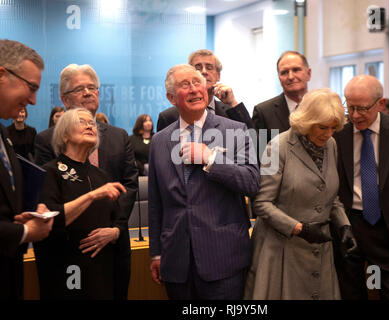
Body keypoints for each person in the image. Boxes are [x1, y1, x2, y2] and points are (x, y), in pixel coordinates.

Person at [148, 64, 259, 300]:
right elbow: (157, 203)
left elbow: (252, 181)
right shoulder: (159, 141)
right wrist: (156, 254)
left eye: (197, 83)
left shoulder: (235, 129)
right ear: (170, 98)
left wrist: (211, 158)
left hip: (223, 260)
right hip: (176, 262)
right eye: (184, 85)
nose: (194, 90)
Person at [34, 63, 138, 300]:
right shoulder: (46, 142)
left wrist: (114, 230)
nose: (88, 92)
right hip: (68, 253)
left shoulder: (119, 136)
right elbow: (48, 205)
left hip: (112, 246)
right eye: (80, 88)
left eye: (93, 88)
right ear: (64, 98)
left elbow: (128, 187)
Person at [245, 88, 357, 300]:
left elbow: (330, 196)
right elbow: (261, 203)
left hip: (320, 249)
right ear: (307, 121)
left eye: (334, 128)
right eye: (322, 127)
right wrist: (299, 229)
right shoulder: (277, 147)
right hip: (281, 251)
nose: (328, 133)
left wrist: (344, 225)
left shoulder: (330, 145)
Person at [334, 75, 389, 300]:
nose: (355, 115)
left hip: (388, 227)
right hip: (349, 225)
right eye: (350, 107)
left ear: (380, 104)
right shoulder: (337, 131)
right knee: (352, 292)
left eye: (362, 109)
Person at [0, 39, 53, 299]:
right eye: (31, 88)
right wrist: (24, 232)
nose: (33, 101)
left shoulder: (3, 133)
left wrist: (28, 213)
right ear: (2, 75)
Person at [156, 49, 253, 132]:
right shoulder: (168, 117)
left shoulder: (231, 111)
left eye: (209, 67)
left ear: (218, 76)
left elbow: (254, 144)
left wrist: (233, 103)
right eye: (198, 68)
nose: (204, 72)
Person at [252, 51, 312, 154]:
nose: (290, 76)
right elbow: (261, 156)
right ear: (279, 78)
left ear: (308, 74)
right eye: (284, 72)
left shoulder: (321, 108)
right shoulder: (263, 112)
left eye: (296, 70)